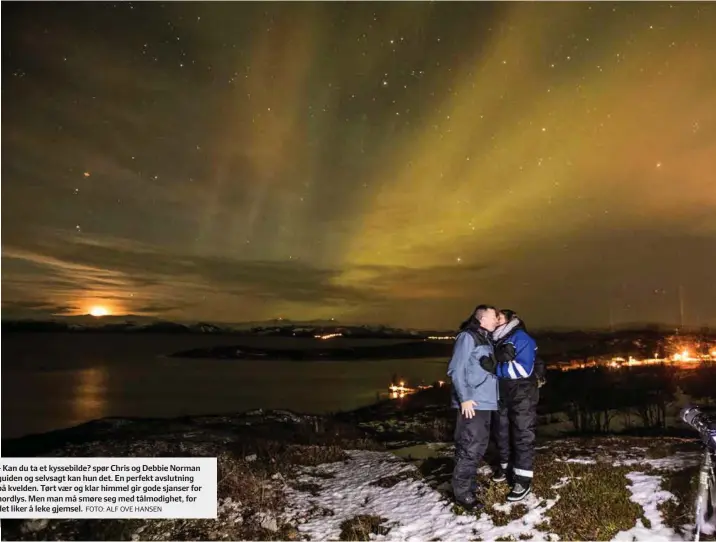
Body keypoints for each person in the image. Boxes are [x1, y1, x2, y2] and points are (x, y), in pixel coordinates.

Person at [482, 309, 539, 502]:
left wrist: (495, 368)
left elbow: (524, 369)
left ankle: (522, 480)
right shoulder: (498, 339)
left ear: (510, 320)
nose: (495, 320)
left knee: (522, 434)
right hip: (503, 393)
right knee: (502, 431)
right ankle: (505, 467)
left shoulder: (521, 338)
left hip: (522, 393)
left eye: (499, 317)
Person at [447, 304, 500, 511]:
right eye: (494, 316)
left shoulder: (485, 338)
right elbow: (455, 369)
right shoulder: (468, 337)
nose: (497, 319)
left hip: (485, 401)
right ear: (482, 318)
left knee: (476, 446)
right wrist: (465, 398)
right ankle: (462, 494)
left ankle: (467, 486)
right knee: (470, 446)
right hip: (473, 402)